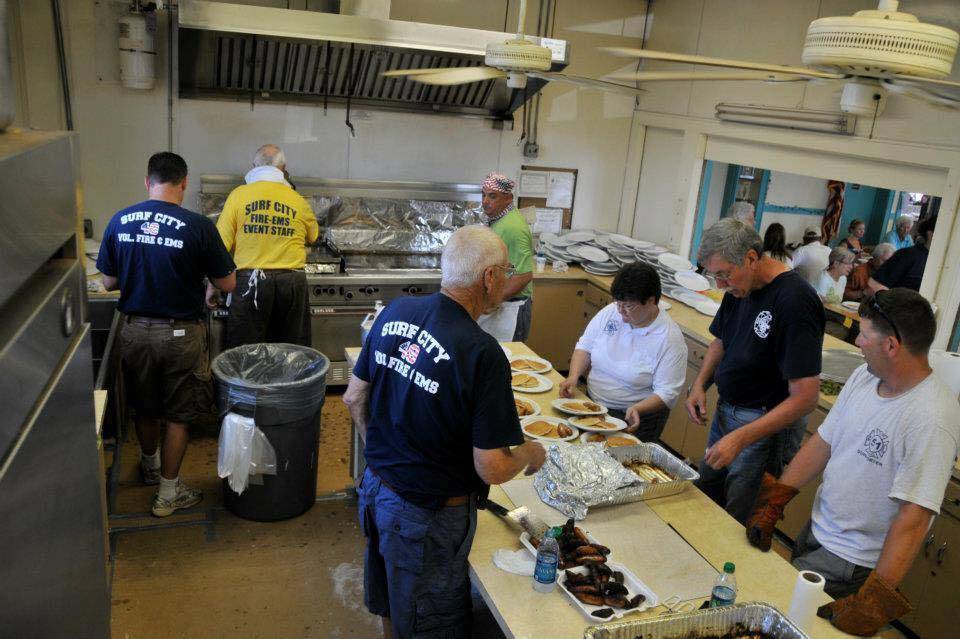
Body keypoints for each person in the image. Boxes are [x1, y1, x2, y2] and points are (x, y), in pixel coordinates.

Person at [343, 225, 547, 639]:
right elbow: (490, 466)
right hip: (427, 516)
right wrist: (529, 452)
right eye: (507, 270)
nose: (509, 278)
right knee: (429, 622)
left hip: (376, 490)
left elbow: (352, 397)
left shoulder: (396, 312)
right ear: (489, 278)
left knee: (394, 602)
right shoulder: (481, 352)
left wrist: (384, 457)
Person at [745, 289, 959, 637]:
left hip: (853, 562)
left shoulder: (932, 418)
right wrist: (776, 499)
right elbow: (823, 443)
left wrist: (872, 598)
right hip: (818, 531)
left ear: (891, 345)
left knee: (785, 625)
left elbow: (914, 519)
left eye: (863, 334)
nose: (856, 341)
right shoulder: (865, 377)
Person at [96, 152, 236, 517]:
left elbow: (109, 281)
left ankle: (149, 466)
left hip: (133, 332)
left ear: (147, 181)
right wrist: (205, 279)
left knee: (145, 407)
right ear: (184, 183)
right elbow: (229, 281)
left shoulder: (120, 220)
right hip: (179, 335)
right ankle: (168, 494)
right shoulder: (197, 226)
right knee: (178, 413)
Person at [686, 219, 824, 524]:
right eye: (714, 276)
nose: (720, 284)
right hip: (727, 413)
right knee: (705, 498)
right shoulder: (738, 290)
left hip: (762, 426)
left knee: (739, 516)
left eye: (723, 274)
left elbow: (806, 398)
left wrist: (741, 438)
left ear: (751, 257)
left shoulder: (795, 301)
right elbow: (721, 341)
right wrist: (699, 385)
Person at [558, 263, 687, 442]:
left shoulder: (669, 338)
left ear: (651, 301)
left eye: (628, 306)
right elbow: (585, 346)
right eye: (618, 303)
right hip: (593, 403)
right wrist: (573, 377)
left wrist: (638, 408)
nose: (620, 310)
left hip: (633, 416)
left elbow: (667, 392)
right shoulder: (612, 312)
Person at [216, 144, 319, 348]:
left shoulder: (239, 195)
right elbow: (313, 236)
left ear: (253, 166)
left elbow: (219, 245)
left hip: (250, 283)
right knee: (290, 351)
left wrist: (212, 284)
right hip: (291, 283)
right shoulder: (297, 200)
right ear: (283, 168)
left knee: (246, 353)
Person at [477, 173, 534, 342]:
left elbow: (523, 276)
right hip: (500, 305)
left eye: (492, 196)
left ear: (508, 198)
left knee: (508, 361)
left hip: (511, 310)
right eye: (484, 195)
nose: (485, 201)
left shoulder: (512, 228)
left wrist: (487, 303)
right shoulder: (498, 220)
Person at [869, 216, 936, 293]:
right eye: (903, 227)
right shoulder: (905, 254)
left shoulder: (908, 238)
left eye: (908, 228)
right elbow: (875, 284)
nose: (906, 230)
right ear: (930, 234)